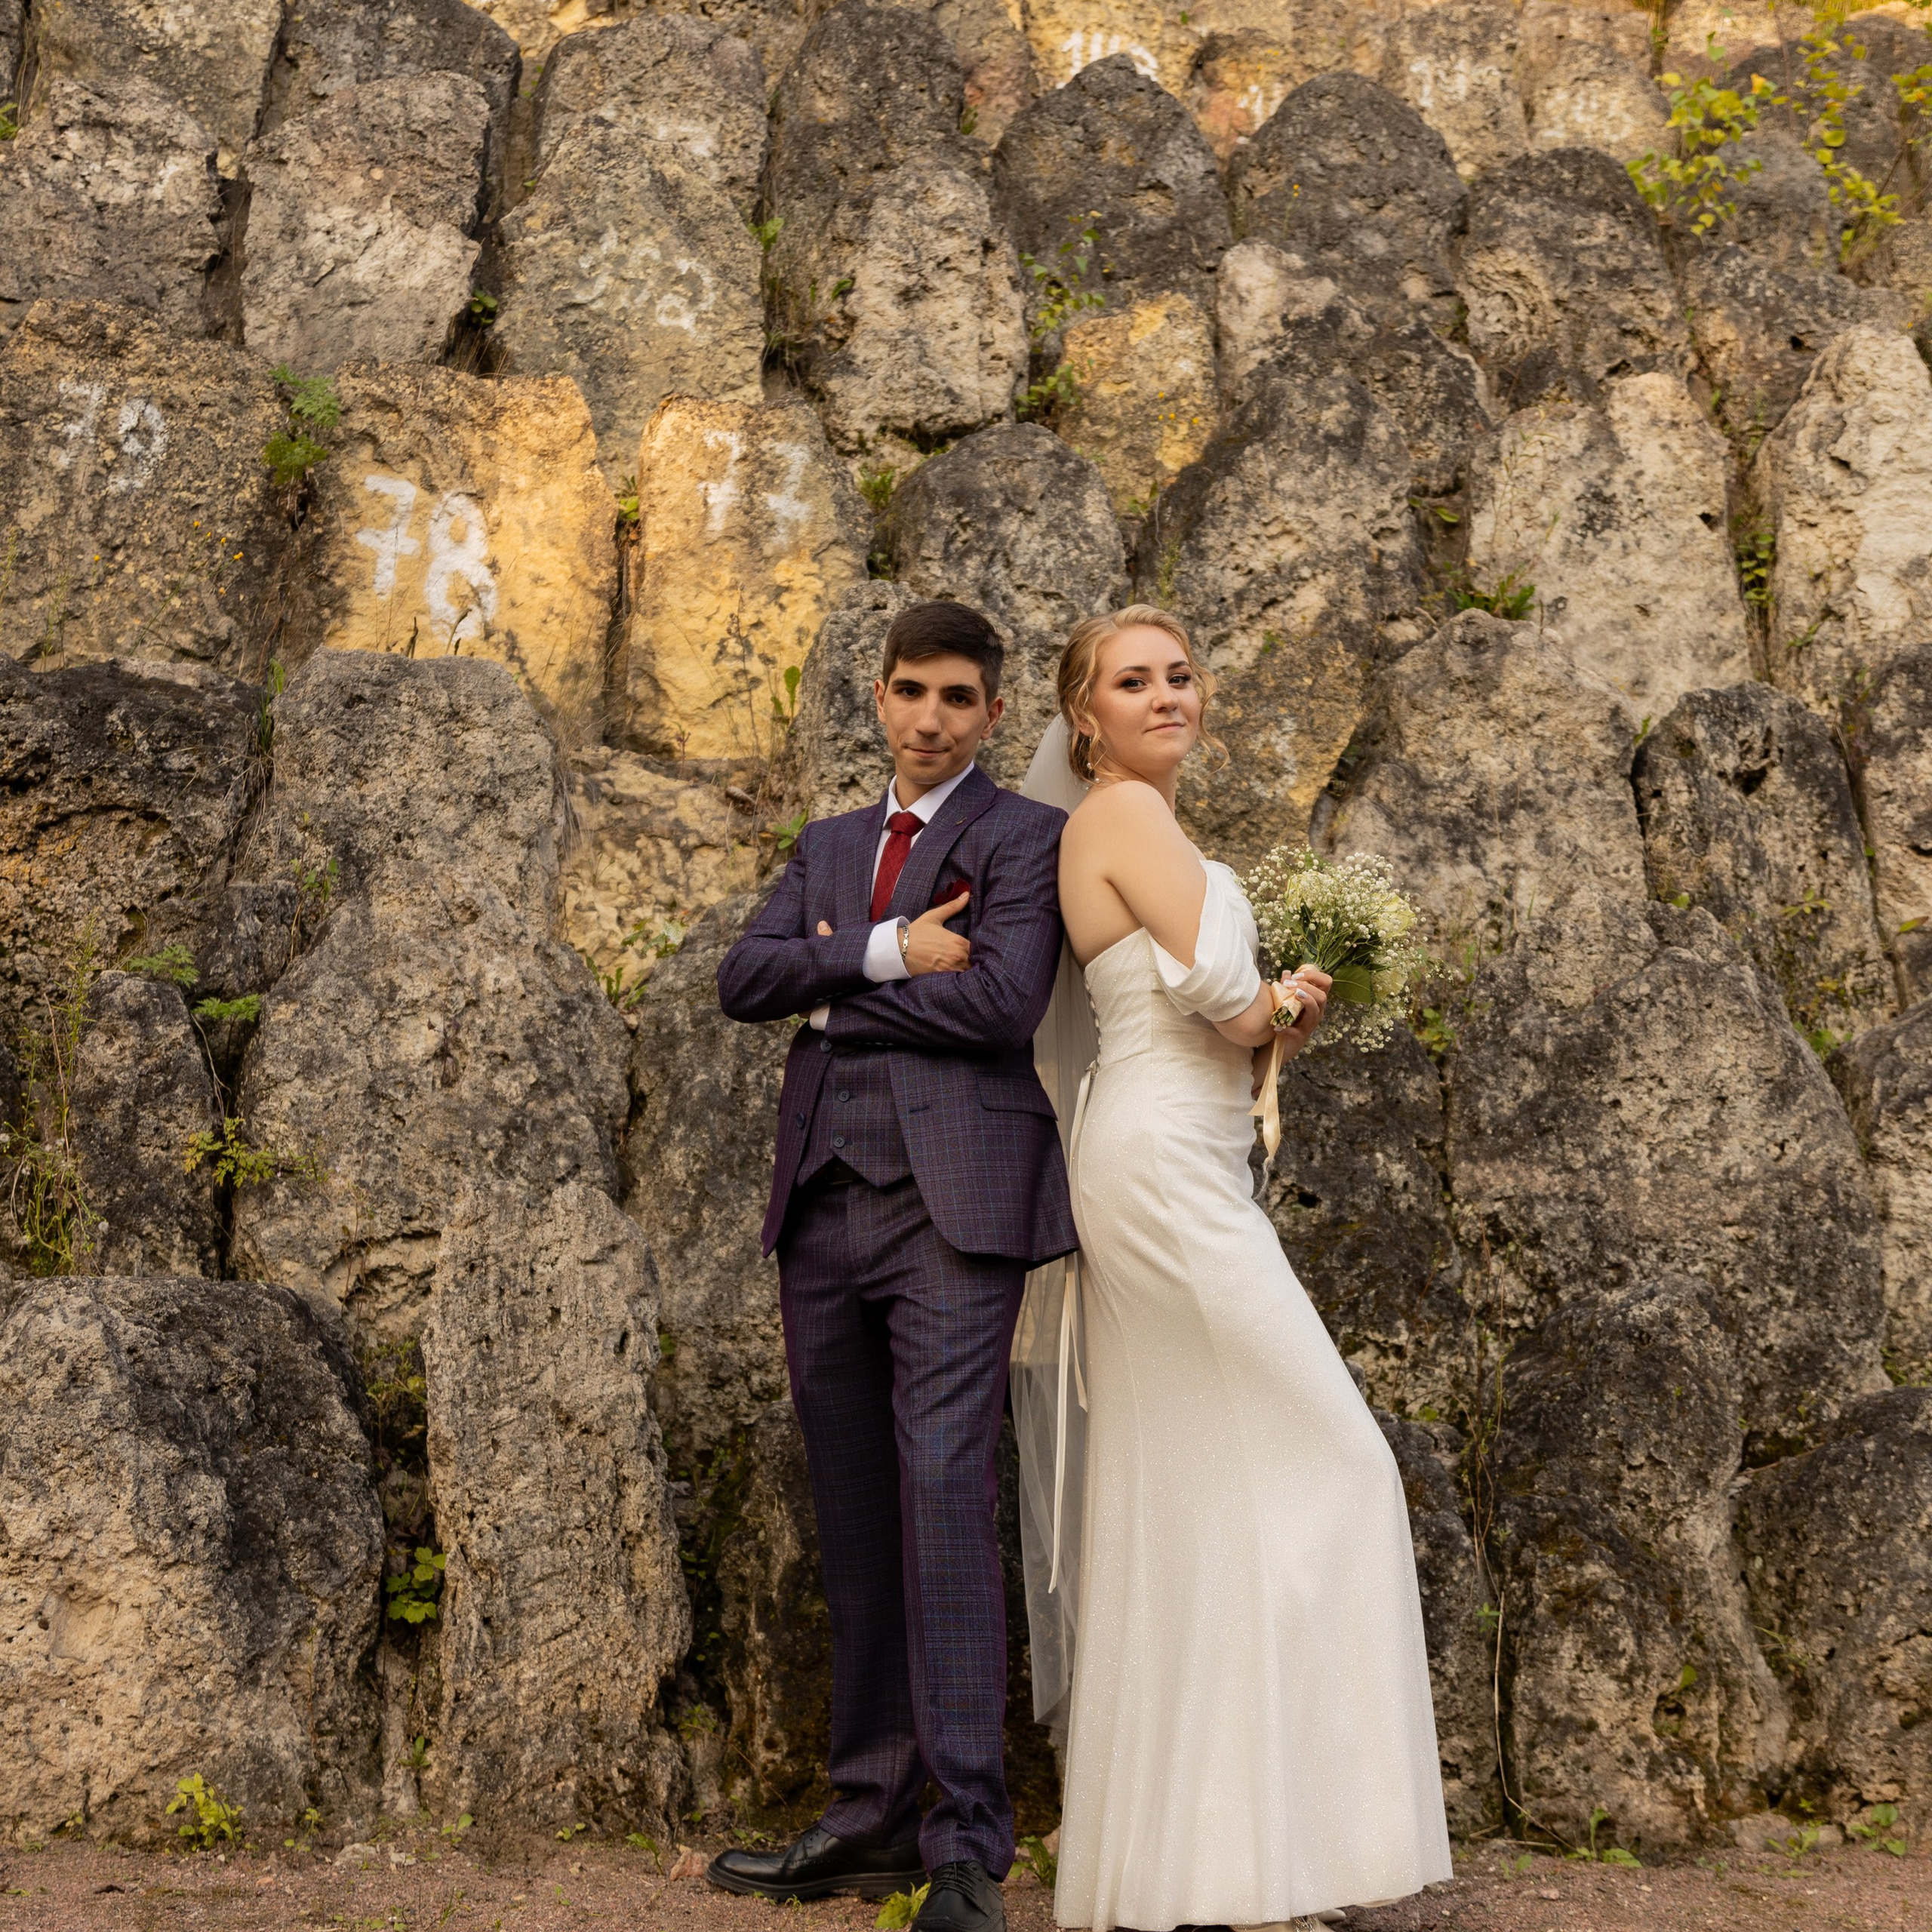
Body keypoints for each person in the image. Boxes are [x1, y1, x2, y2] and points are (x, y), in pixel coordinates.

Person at [1023, 604, 1454, 1931]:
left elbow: (1228, 1023)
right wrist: (1283, 997)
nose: (1168, 696)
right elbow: (1220, 993)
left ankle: (1222, 1862)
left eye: (1180, 674)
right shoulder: (1120, 816)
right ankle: (1257, 1849)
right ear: (1085, 716)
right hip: (1161, 1168)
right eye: (1133, 682)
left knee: (1205, 1488)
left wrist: (1279, 1025)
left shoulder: (1146, 823)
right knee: (1338, 1461)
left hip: (1182, 1154)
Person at [712, 600, 1074, 1932]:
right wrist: (882, 951)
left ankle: (967, 1843)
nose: (931, 718)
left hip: (954, 1205)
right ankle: (868, 1819)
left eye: (958, 698)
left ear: (995, 714)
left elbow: (1002, 1003)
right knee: (856, 1506)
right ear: (877, 696)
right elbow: (739, 979)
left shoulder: (1027, 838)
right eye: (911, 691)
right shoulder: (825, 845)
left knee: (942, 1494)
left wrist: (826, 994)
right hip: (819, 1205)